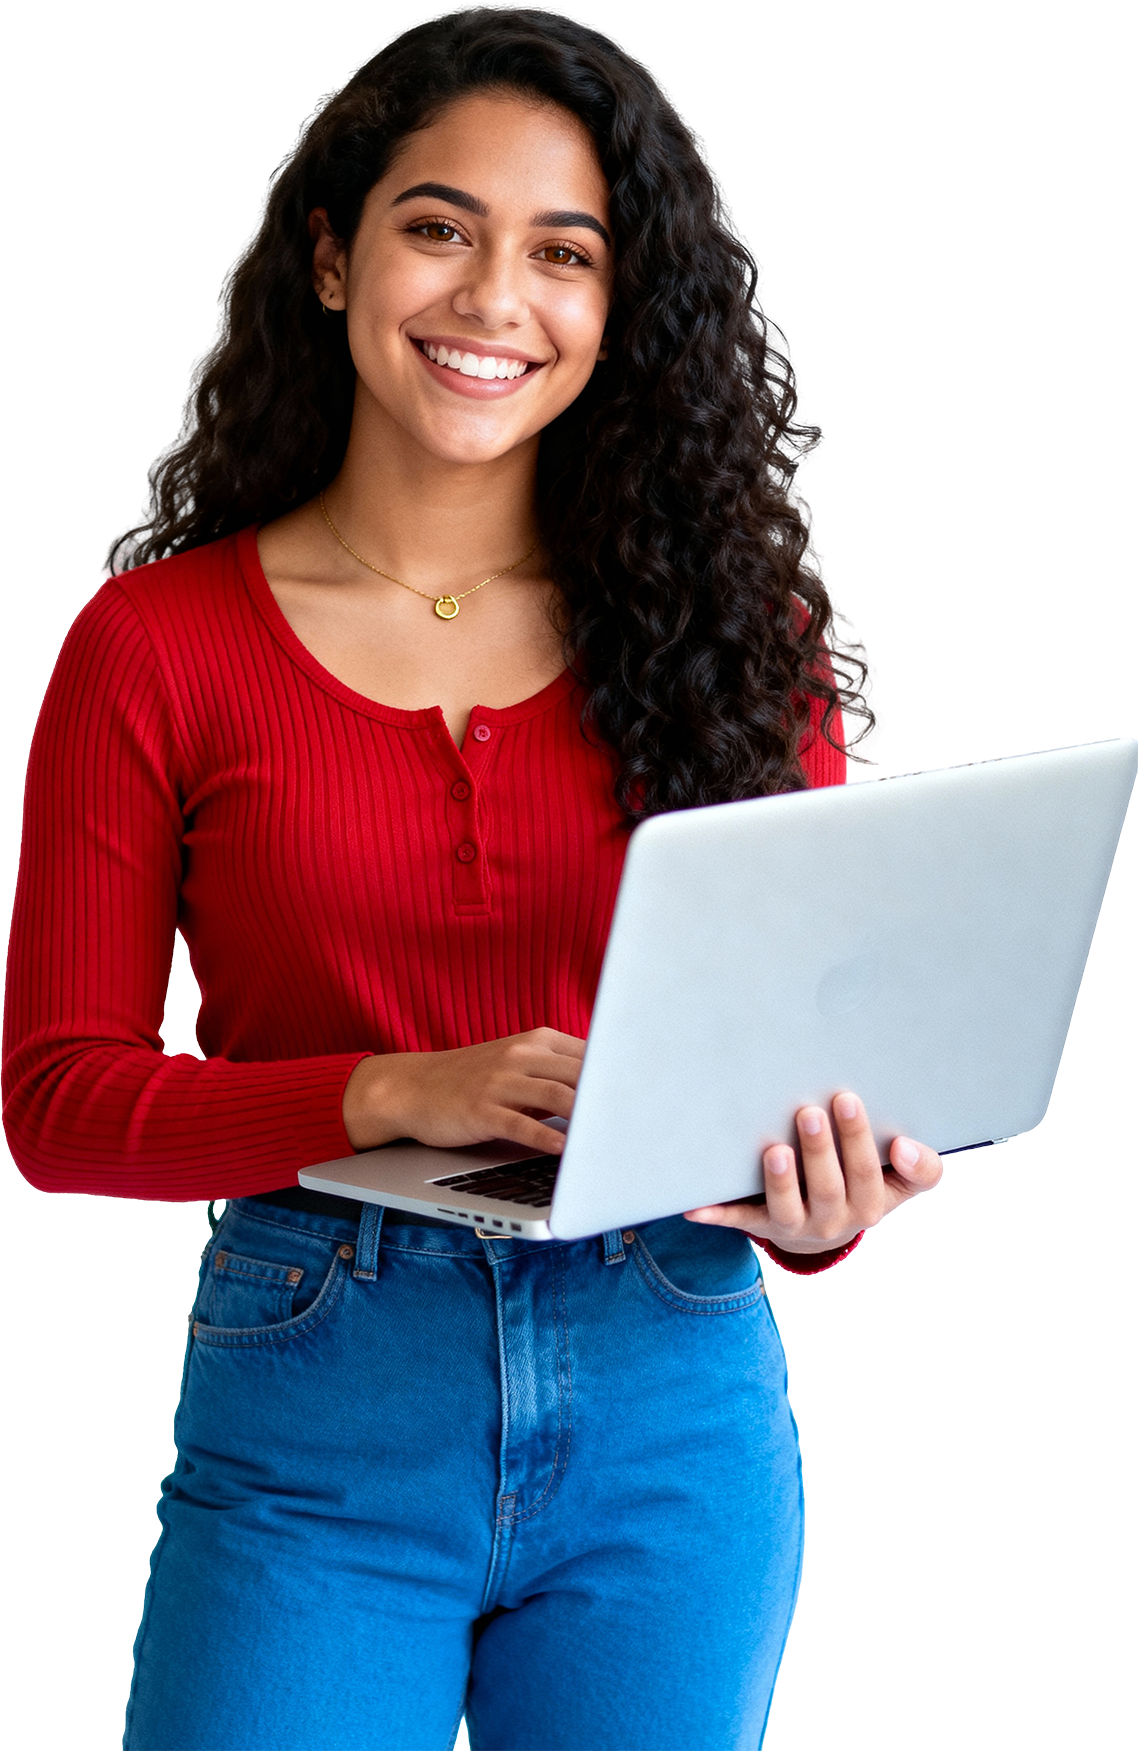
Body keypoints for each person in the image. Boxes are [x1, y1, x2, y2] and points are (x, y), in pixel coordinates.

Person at [2, 6, 946, 1748]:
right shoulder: (150, 647)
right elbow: (60, 1102)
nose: (494, 298)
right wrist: (391, 1089)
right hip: (319, 1390)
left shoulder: (737, 639)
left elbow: (832, 1057)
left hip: (674, 1388)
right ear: (330, 255)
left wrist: (832, 1208)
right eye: (440, 227)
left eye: (563, 253)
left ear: (618, 307)